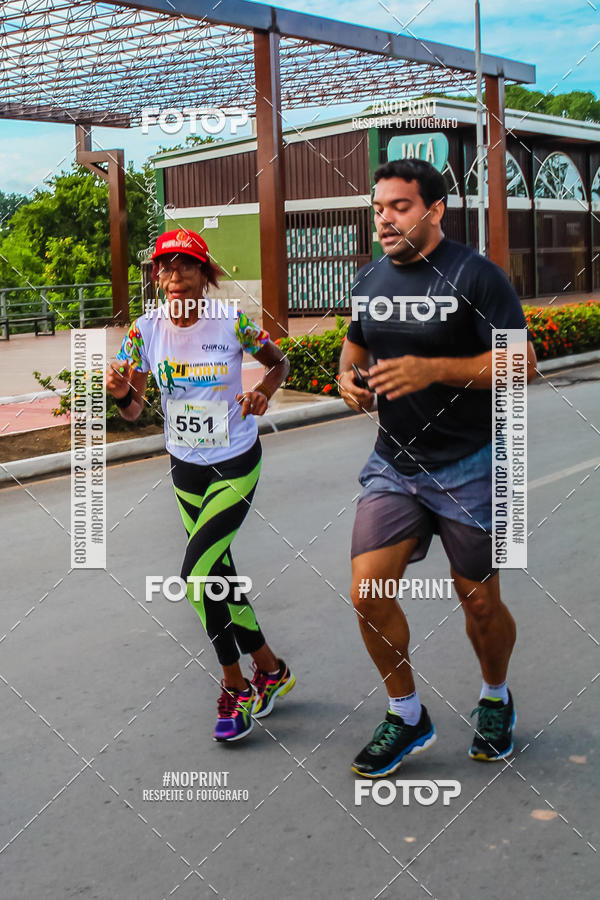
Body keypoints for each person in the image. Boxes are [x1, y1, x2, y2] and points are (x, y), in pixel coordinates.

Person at [338, 158, 537, 777]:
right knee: (367, 593)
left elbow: (522, 366)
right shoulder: (370, 279)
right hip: (394, 464)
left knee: (478, 601)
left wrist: (433, 370)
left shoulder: (477, 277)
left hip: (473, 464)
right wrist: (348, 380)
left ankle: (495, 697)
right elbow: (355, 346)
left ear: (435, 210)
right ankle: (406, 715)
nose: (385, 218)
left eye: (399, 206)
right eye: (378, 208)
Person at [106, 228, 295, 742]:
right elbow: (134, 412)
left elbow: (279, 362)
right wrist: (122, 392)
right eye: (165, 268)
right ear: (157, 278)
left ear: (206, 273)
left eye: (187, 265)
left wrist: (261, 393)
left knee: (196, 573)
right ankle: (271, 669)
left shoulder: (231, 322)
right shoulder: (144, 332)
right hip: (184, 467)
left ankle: (234, 685)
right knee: (220, 577)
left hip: (234, 460)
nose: (176, 276)